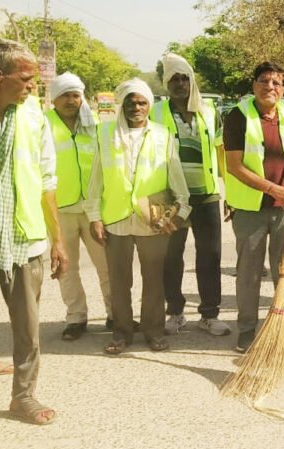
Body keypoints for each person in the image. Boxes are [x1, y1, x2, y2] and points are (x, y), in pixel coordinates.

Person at [0, 39, 68, 424]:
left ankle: (23, 396)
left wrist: (58, 240)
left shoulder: (34, 116)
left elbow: (47, 179)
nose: (33, 86)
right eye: (26, 78)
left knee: (27, 331)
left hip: (25, 239)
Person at [86, 79, 191, 355]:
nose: (136, 107)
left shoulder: (162, 134)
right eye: (131, 102)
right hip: (116, 217)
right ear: (123, 105)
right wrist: (95, 216)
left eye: (142, 102)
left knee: (154, 279)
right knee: (119, 280)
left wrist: (181, 207)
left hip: (152, 216)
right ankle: (121, 333)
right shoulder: (105, 134)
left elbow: (174, 173)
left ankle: (154, 332)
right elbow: (95, 177)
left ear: (149, 106)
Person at [223, 62, 284, 353]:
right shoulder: (238, 117)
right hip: (251, 208)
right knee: (249, 272)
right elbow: (234, 166)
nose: (270, 87)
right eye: (264, 81)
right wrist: (272, 188)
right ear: (254, 86)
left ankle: (281, 327)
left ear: (283, 89)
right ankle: (247, 330)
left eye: (277, 83)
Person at [152, 54, 230, 338]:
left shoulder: (209, 111)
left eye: (184, 78)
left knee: (210, 256)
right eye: (174, 79)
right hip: (170, 197)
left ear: (192, 80)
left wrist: (229, 194)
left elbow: (222, 154)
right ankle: (175, 312)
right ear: (165, 83)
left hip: (206, 195)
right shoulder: (156, 112)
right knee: (171, 256)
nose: (180, 84)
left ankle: (210, 315)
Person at [46, 72, 113, 341]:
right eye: (65, 95)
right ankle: (76, 317)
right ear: (54, 99)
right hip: (60, 209)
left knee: (106, 265)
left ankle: (115, 314)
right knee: (66, 267)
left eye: (76, 95)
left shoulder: (94, 123)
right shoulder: (44, 125)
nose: (71, 100)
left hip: (93, 208)